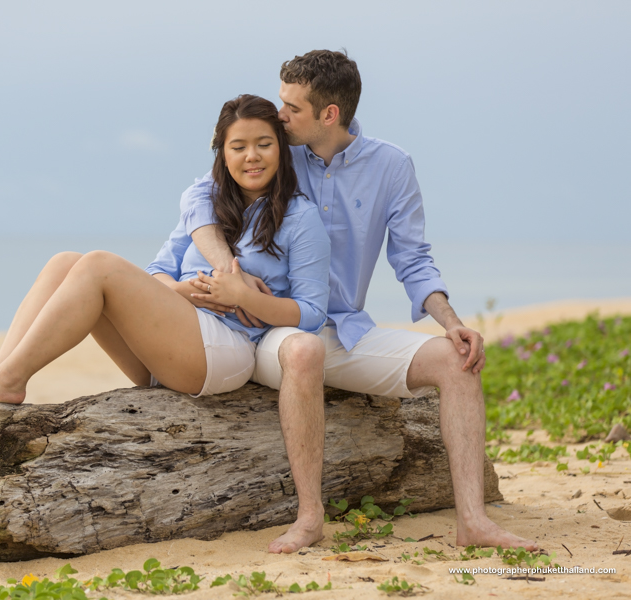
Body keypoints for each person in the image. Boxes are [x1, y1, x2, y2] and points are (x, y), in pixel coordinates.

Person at [165, 50, 539, 554]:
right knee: (302, 349)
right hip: (273, 326)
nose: (280, 116)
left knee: (458, 362)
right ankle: (309, 517)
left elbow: (413, 259)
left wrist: (451, 322)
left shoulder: (391, 166)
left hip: (344, 327)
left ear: (330, 114)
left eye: (291, 107)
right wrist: (228, 271)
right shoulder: (277, 150)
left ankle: (473, 521)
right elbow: (200, 195)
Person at [0, 95, 331, 419]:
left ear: (281, 150)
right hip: (165, 347)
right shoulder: (205, 207)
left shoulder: (300, 217)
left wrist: (245, 297)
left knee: (99, 265)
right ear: (222, 154)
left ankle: (8, 379)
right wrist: (184, 291)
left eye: (264, 145)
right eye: (239, 147)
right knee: (65, 262)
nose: (252, 157)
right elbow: (157, 272)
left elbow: (312, 312)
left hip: (226, 354)